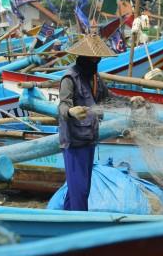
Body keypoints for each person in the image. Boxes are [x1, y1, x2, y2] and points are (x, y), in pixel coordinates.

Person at [58, 34, 145, 211]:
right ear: (82, 58)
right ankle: (80, 227)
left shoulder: (95, 77)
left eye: (98, 59)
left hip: (89, 140)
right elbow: (62, 105)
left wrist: (129, 102)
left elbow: (108, 98)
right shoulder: (69, 78)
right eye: (93, 59)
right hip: (74, 143)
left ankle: (65, 220)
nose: (96, 62)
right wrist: (71, 111)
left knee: (79, 189)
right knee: (80, 191)